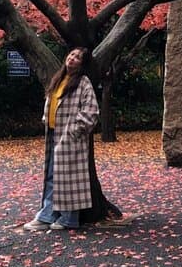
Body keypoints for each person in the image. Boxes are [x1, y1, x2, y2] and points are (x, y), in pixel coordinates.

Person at [23, 47, 121, 231]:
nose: (73, 58)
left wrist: (73, 132)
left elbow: (91, 112)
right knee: (53, 176)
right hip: (53, 134)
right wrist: (46, 118)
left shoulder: (83, 82)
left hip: (69, 138)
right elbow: (51, 101)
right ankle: (49, 215)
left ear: (82, 64)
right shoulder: (58, 78)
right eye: (72, 55)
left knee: (69, 179)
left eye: (78, 58)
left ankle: (67, 218)